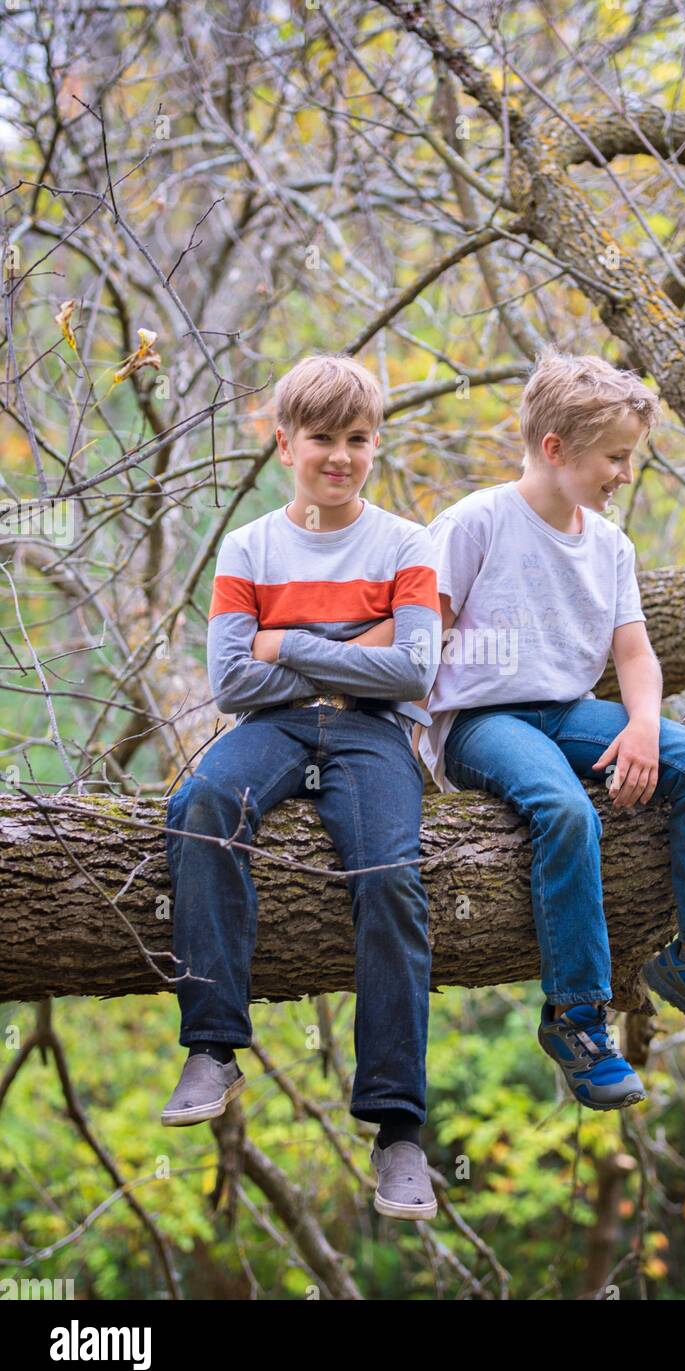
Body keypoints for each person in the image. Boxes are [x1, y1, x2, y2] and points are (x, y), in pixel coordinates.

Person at [416, 346, 685, 1111]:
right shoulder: (476, 523)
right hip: (481, 720)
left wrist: (644, 725)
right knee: (567, 810)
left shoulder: (610, 545)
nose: (625, 472)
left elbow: (635, 652)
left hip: (569, 711)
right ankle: (577, 1019)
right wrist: (404, 752)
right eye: (615, 457)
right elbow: (422, 641)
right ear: (555, 449)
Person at [162, 353, 442, 1220]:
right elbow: (232, 685)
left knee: (389, 877)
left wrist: (287, 645)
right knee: (200, 806)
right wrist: (359, 651)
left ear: (375, 444)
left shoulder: (406, 543)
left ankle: (397, 1130)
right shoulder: (250, 546)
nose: (341, 456)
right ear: (285, 443)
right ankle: (213, 1045)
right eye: (322, 437)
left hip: (373, 738)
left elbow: (416, 673)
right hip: (271, 730)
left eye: (358, 439)